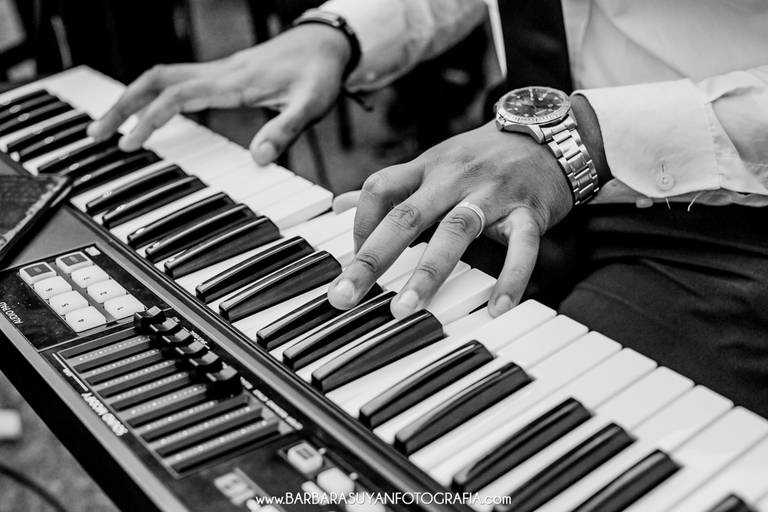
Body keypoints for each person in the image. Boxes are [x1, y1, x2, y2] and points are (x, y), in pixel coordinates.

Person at [87, 0, 768, 416]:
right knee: (322, 368)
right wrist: (339, 31)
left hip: (727, 211)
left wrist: (586, 137)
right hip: (511, 163)